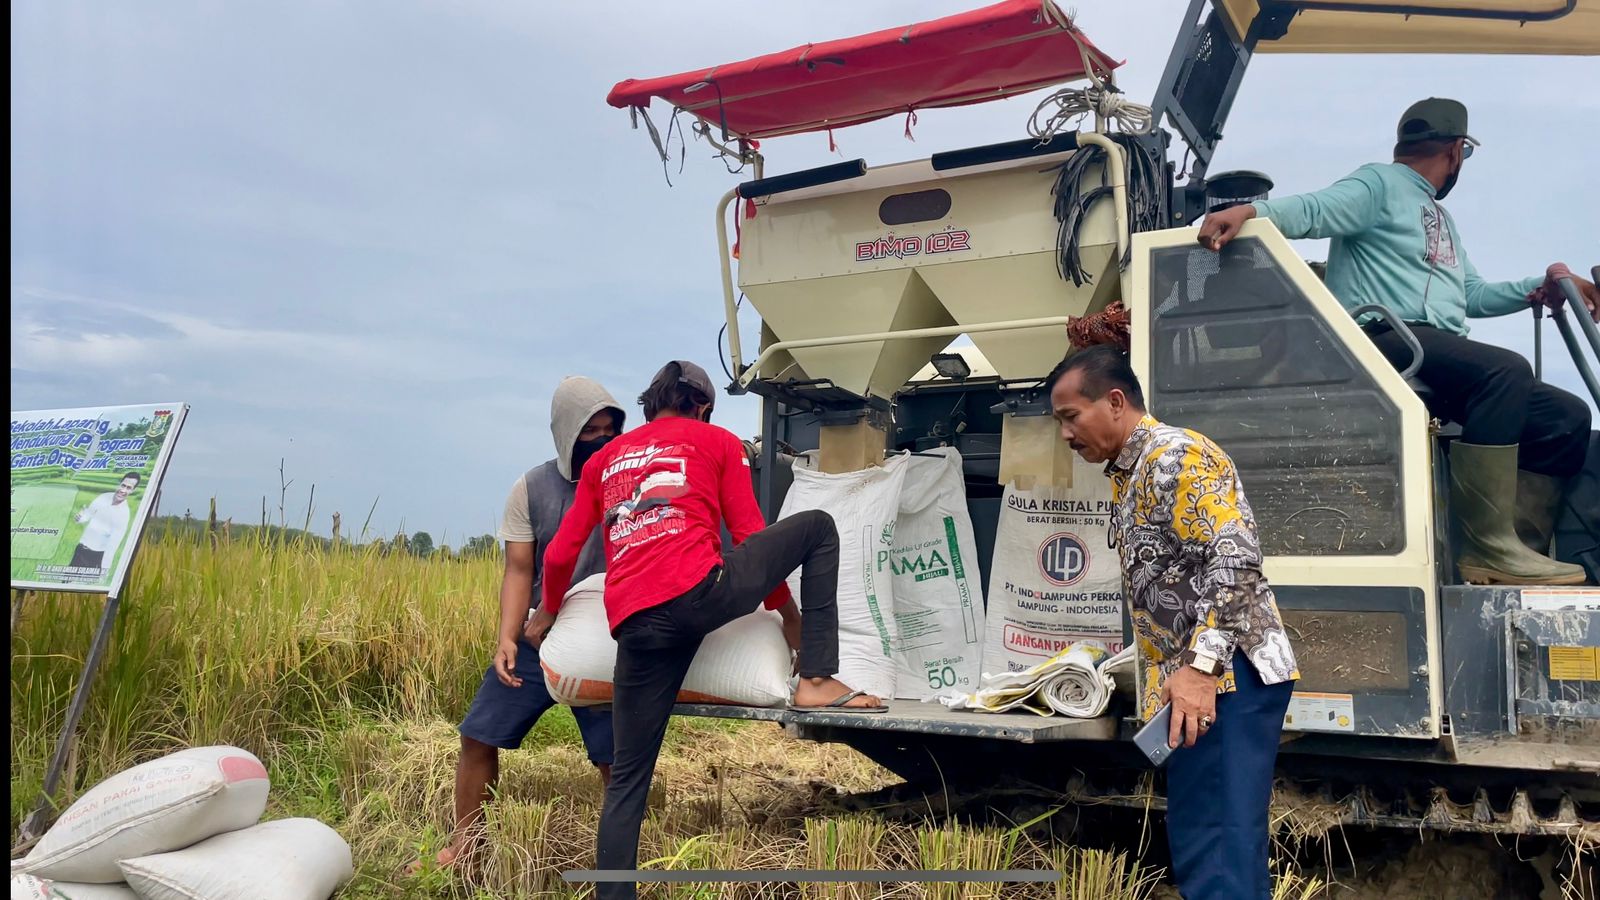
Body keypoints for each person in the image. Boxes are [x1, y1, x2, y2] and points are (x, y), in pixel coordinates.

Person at [1197, 97, 1596, 586]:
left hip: (1436, 350)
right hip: (1382, 340)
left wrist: (1543, 285)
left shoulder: (1443, 221)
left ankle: (1516, 553)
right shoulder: (1379, 183)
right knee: (1505, 370)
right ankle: (1488, 547)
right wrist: (1253, 210)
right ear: (1456, 152)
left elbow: (1471, 294)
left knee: (1566, 416)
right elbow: (1318, 208)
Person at [529, 359, 885, 900]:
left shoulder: (605, 460)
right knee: (819, 527)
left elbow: (559, 554)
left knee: (627, 781)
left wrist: (547, 611)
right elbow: (747, 532)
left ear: (650, 404)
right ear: (701, 406)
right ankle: (816, 679)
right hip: (700, 595)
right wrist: (790, 621)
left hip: (634, 624)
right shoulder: (717, 442)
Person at [1048, 345, 1299, 900]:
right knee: (1205, 840)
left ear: (1114, 401)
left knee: (1219, 849)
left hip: (1227, 678)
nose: (1065, 434)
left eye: (1071, 416)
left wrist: (1201, 667)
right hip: (1200, 684)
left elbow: (1235, 558)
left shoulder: (1174, 457)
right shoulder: (1129, 470)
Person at [406, 376, 624, 874]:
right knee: (478, 737)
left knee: (617, 758)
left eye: (611, 429)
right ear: (567, 433)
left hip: (601, 639)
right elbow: (520, 569)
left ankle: (617, 863)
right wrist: (507, 636)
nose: (603, 439)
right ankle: (466, 850)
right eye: (591, 430)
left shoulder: (626, 481)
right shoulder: (532, 488)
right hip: (537, 633)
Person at [71, 472, 140, 571]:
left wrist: (104, 571)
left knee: (87, 585)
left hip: (96, 556)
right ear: (119, 484)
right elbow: (88, 514)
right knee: (65, 583)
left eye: (128, 488)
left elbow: (113, 545)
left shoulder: (124, 514)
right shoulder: (104, 497)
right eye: (123, 485)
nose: (123, 490)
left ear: (133, 490)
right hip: (80, 549)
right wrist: (80, 518)